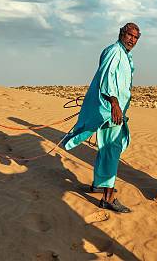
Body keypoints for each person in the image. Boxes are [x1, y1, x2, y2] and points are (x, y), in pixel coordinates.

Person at [61, 23, 140, 213]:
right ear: (122, 33)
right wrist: (114, 104)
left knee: (107, 148)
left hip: (114, 110)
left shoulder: (123, 53)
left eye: (136, 37)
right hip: (111, 110)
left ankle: (99, 184)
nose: (132, 40)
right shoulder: (114, 51)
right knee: (111, 149)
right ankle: (108, 198)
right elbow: (106, 79)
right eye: (130, 35)